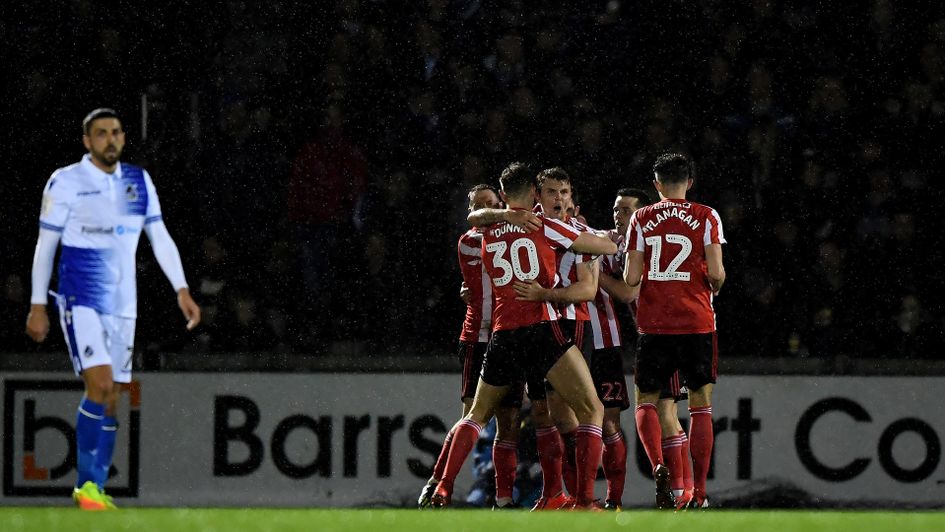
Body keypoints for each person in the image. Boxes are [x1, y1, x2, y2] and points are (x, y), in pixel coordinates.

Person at [25, 108, 201, 510]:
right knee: (100, 386)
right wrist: (38, 305)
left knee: (113, 397)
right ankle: (85, 487)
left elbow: (159, 236)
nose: (111, 140)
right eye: (101, 134)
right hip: (81, 298)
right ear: (87, 141)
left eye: (116, 133)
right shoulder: (67, 181)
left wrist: (182, 289)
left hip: (124, 305)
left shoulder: (138, 180)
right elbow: (46, 245)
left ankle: (96, 489)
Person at [431, 162, 617, 510]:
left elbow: (475, 218)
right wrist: (601, 241)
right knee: (591, 410)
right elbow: (603, 249)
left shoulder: (486, 229)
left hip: (502, 335)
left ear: (502, 196)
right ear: (534, 193)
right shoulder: (544, 225)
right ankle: (585, 500)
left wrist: (502, 216)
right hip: (541, 330)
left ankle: (443, 485)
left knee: (475, 415)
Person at [623, 153, 726, 510]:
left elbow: (632, 279)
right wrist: (712, 283)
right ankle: (699, 491)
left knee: (647, 401)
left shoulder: (641, 217)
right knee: (700, 406)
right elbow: (716, 273)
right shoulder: (706, 215)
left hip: (655, 324)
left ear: (656, 185)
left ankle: (658, 466)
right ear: (690, 182)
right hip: (697, 322)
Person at [418, 184, 523, 510]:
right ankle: (438, 482)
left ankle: (504, 500)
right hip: (479, 339)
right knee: (471, 418)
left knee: (508, 424)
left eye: (492, 204)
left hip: (508, 338)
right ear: (472, 213)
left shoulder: (509, 238)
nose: (487, 211)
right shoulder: (470, 242)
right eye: (480, 206)